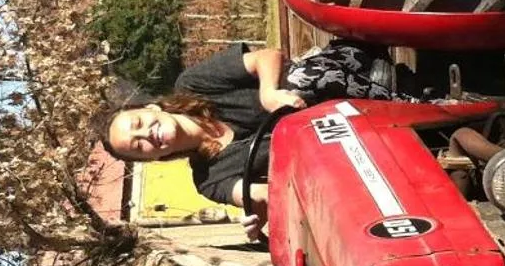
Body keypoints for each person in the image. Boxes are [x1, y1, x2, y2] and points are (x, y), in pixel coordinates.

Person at [99, 42, 398, 238]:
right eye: (138, 146)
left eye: (138, 123)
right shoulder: (208, 180)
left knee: (296, 81)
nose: (146, 134)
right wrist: (258, 215)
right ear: (151, 159)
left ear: (150, 108)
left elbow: (266, 56)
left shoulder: (191, 85)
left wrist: (268, 93)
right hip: (335, 147)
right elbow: (259, 194)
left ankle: (394, 100)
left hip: (336, 81)